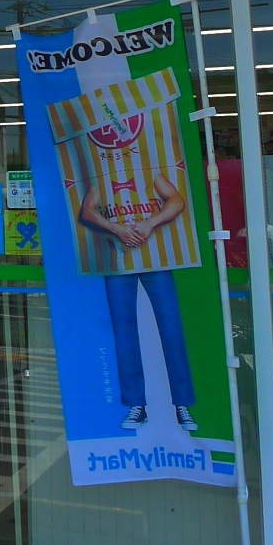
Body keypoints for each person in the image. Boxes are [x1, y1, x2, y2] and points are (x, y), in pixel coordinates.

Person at [78, 165, 196, 429]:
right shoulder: (101, 175)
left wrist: (150, 223)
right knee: (124, 332)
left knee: (171, 329)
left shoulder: (148, 171)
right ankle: (136, 405)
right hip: (117, 261)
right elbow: (87, 211)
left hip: (156, 259)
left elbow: (177, 201)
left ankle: (182, 404)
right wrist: (115, 228)